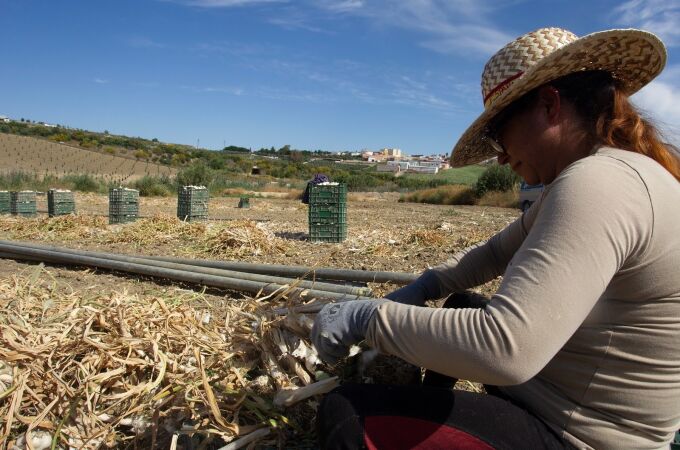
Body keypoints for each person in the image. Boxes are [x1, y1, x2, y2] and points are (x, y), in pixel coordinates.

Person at [311, 27, 680, 450]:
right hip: (561, 395)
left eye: (499, 134)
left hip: (585, 435)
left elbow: (507, 349)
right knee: (463, 305)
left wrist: (367, 318)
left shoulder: (599, 182)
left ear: (548, 104)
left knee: (346, 414)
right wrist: (425, 286)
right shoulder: (609, 173)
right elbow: (494, 252)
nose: (500, 157)